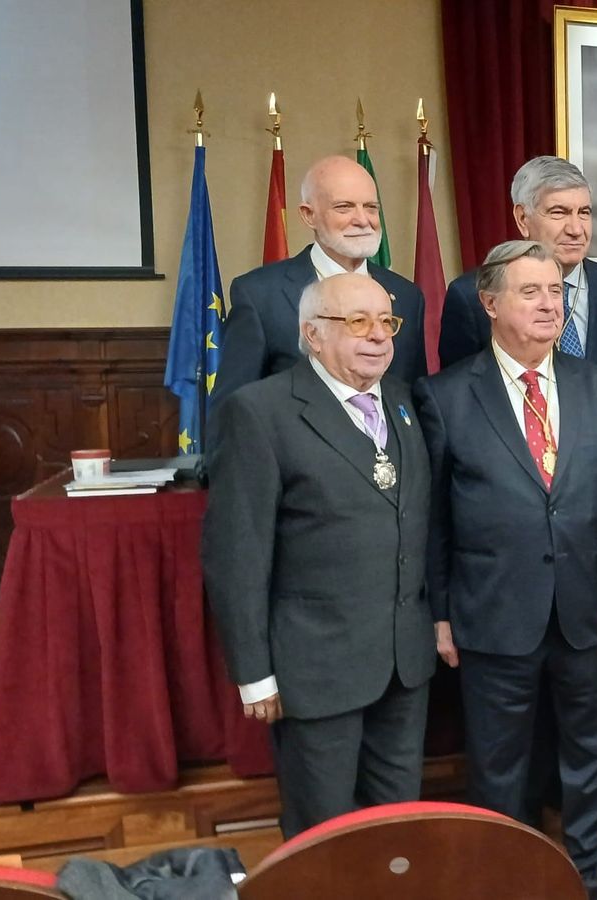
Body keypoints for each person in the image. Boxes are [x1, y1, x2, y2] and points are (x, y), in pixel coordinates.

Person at [414, 240, 597, 896]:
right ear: (490, 304)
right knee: (498, 767)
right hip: (491, 614)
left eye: (555, 293)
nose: (549, 305)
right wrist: (441, 613)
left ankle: (588, 880)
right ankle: (505, 880)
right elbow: (434, 521)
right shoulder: (446, 396)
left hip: (591, 610)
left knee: (592, 760)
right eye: (530, 292)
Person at [202, 273, 435, 838]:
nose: (378, 336)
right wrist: (254, 673)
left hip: (403, 663)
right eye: (357, 322)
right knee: (322, 836)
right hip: (316, 666)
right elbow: (237, 552)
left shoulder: (402, 402)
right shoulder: (261, 411)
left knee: (396, 830)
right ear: (312, 334)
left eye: (387, 322)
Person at [214, 156, 427, 411]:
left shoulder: (407, 296)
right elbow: (231, 409)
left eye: (371, 207)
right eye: (344, 207)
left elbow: (414, 401)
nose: (362, 219)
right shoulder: (260, 295)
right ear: (308, 215)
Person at [440, 156, 597, 371]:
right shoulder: (471, 295)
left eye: (584, 213)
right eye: (559, 212)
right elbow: (457, 392)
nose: (576, 229)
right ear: (523, 218)